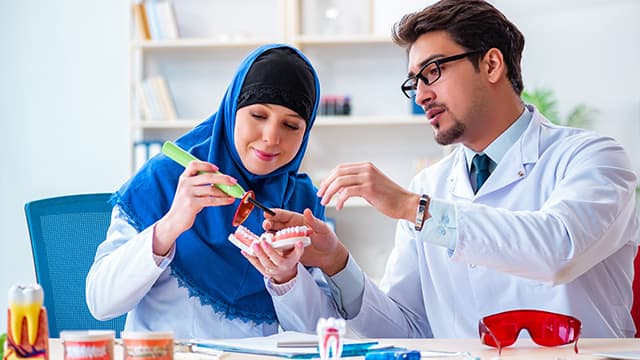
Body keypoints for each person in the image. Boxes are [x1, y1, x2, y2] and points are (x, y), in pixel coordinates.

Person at [244, 0, 640, 338]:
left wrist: (413, 208)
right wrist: (335, 262)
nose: (421, 95)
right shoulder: (432, 184)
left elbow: (559, 251)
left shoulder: (593, 157)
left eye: (432, 71)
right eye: (414, 81)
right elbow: (409, 327)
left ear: (491, 64)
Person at [85, 44, 328, 339]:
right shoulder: (167, 177)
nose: (271, 138)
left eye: (291, 125)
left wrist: (287, 277)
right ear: (231, 111)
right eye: (258, 116)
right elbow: (101, 302)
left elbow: (318, 335)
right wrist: (171, 225)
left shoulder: (301, 204)